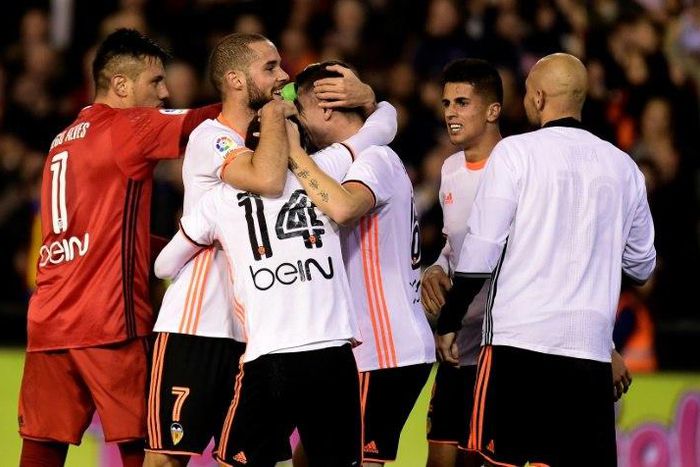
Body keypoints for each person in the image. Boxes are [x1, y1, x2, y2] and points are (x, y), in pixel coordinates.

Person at [145, 34, 396, 467]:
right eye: (271, 67)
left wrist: (370, 97)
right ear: (235, 80)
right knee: (168, 458)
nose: (284, 76)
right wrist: (284, 118)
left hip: (260, 333)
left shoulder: (280, 145)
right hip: (199, 324)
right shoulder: (212, 136)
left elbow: (375, 130)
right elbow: (269, 180)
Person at [436, 53, 656, 466]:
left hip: (516, 351)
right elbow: (642, 265)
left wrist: (449, 321)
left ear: (537, 97)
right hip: (588, 357)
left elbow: (481, 254)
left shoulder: (515, 154)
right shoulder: (624, 167)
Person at [17, 29, 222, 467]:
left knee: (41, 450)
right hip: (107, 323)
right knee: (147, 450)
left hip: (49, 322)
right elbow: (210, 121)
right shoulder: (126, 126)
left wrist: (183, 250)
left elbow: (98, 234)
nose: (165, 92)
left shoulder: (63, 140)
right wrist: (277, 93)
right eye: (155, 82)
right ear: (122, 85)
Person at [285, 61, 435, 467]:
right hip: (366, 349)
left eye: (299, 109)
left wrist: (294, 156)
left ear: (326, 107)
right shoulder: (362, 156)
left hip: (382, 350)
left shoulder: (376, 160)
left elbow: (346, 207)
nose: (296, 121)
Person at [419, 58, 502, 467]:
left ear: (492, 110)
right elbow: (455, 246)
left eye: (463, 102)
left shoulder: (517, 166)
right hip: (455, 343)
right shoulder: (450, 168)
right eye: (447, 102)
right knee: (439, 458)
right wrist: (436, 267)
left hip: (499, 346)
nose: (450, 111)